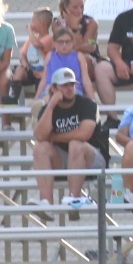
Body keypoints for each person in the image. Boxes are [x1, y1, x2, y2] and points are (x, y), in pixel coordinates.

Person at [32, 67, 104, 208]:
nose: (70, 88)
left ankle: (74, 199)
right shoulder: (48, 109)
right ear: (54, 88)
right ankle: (46, 203)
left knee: (76, 144)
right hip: (66, 160)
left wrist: (55, 137)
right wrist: (51, 105)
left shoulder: (87, 105)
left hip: (93, 158)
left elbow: (84, 134)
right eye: (65, 85)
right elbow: (40, 136)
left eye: (72, 84)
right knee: (40, 148)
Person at [55, 0, 114, 104]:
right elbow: (62, 46)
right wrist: (72, 32)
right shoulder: (57, 23)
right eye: (75, 7)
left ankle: (82, 99)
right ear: (65, 8)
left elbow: (89, 47)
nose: (79, 11)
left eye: (82, 6)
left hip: (88, 60)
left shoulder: (91, 23)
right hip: (65, 58)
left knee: (82, 59)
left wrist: (74, 29)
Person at [12, 6, 54, 101]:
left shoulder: (50, 38)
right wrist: (24, 63)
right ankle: (13, 97)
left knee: (41, 97)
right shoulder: (32, 39)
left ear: (41, 24)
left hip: (43, 75)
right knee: (19, 70)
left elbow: (37, 44)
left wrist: (30, 31)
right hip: (32, 72)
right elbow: (22, 54)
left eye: (33, 21)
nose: (31, 24)